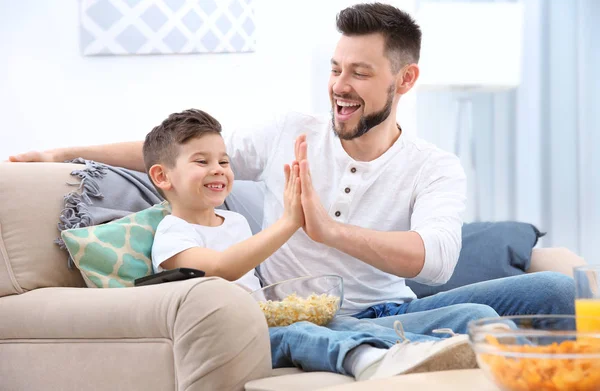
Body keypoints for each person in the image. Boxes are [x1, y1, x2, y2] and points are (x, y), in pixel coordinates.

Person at [9, 1, 574, 377]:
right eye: (335, 69)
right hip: (308, 313)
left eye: (359, 73)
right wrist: (66, 152)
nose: (339, 87)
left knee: (554, 289)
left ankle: (448, 344)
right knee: (479, 312)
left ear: (404, 81)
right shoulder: (288, 131)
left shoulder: (434, 166)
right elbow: (180, 153)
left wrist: (329, 231)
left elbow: (436, 261)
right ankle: (426, 346)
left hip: (391, 304)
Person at [142, 108, 477, 380]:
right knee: (302, 333)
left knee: (337, 324)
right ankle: (367, 361)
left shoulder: (235, 221)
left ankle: (433, 349)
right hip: (233, 335)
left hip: (264, 319)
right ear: (162, 176)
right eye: (202, 162)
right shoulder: (172, 231)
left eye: (224, 162)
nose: (218, 170)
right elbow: (220, 268)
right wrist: (290, 221)